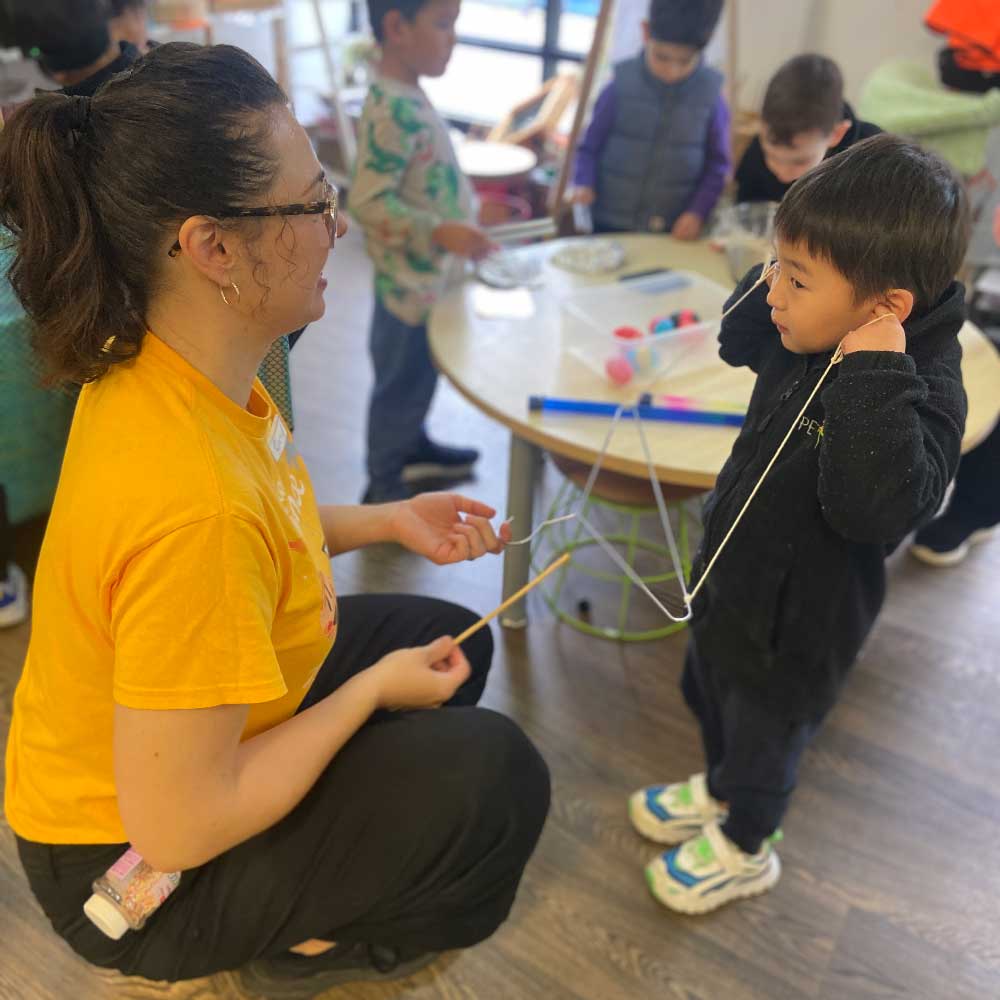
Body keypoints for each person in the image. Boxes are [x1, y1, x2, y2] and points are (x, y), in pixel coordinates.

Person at [0, 43, 549, 992]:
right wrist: (368, 692)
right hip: (123, 864)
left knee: (446, 633)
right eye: (314, 202)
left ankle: (325, 845)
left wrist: (388, 522)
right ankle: (314, 943)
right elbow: (174, 828)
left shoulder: (168, 365)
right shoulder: (190, 508)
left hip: (174, 748)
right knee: (499, 777)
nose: (337, 226)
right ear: (212, 245)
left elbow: (263, 523)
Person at [628, 134, 969, 913]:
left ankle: (748, 842)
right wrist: (777, 275)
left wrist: (874, 374)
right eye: (779, 267)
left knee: (764, 741)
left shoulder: (923, 390)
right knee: (706, 693)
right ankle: (718, 791)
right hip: (732, 574)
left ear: (886, 310)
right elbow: (735, 339)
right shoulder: (801, 321)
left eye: (799, 279)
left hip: (800, 629)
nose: (777, 293)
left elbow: (877, 506)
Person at [350, 0, 493, 504]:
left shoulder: (407, 95)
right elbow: (368, 204)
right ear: (396, 27)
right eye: (442, 24)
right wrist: (439, 231)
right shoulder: (391, 109)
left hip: (425, 284)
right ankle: (383, 486)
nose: (452, 37)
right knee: (399, 386)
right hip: (405, 291)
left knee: (418, 380)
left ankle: (414, 445)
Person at [568, 0, 728, 239]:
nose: (672, 70)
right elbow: (589, 147)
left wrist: (698, 211)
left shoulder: (711, 95)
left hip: (669, 228)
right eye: (662, 57)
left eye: (684, 60)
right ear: (645, 32)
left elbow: (718, 165)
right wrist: (583, 181)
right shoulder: (619, 85)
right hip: (609, 220)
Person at [734, 54, 881, 205]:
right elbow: (747, 199)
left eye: (799, 162)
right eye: (771, 156)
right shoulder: (762, 144)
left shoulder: (873, 159)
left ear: (836, 134)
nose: (782, 174)